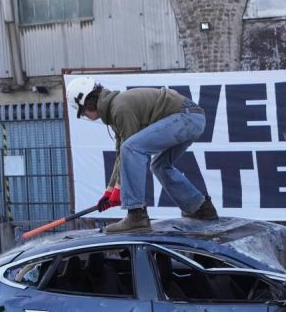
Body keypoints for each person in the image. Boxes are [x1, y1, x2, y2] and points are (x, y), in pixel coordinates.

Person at [67, 76, 218, 233]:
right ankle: (201, 209)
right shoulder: (115, 109)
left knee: (132, 148)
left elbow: (129, 150)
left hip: (185, 117)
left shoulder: (120, 108)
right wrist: (110, 191)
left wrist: (120, 191)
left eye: (82, 113)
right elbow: (121, 155)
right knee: (159, 166)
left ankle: (136, 216)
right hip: (193, 118)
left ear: (85, 103)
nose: (86, 116)